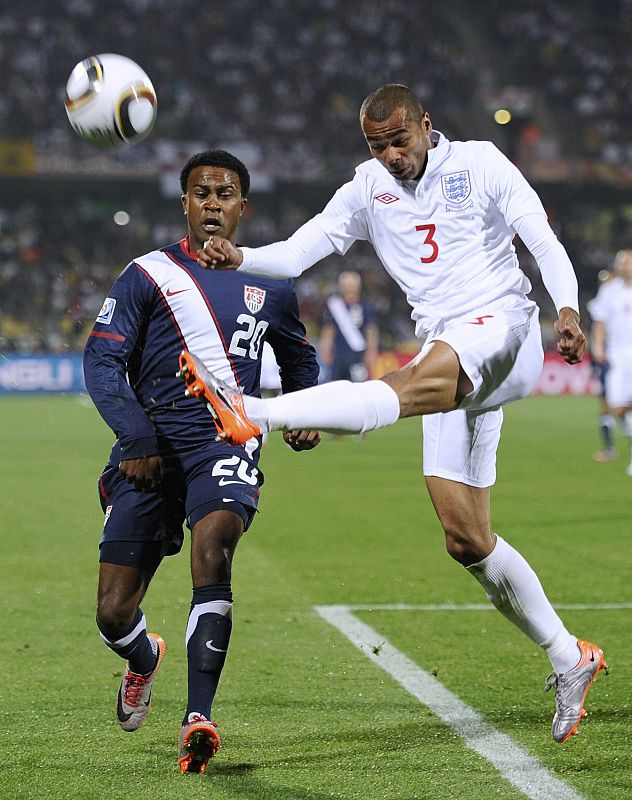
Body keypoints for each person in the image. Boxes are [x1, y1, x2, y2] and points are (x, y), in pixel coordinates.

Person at [181, 85, 607, 744]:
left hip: (505, 328)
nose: (390, 155)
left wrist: (569, 311)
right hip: (452, 352)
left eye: (398, 141)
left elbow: (541, 239)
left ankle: (252, 412)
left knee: (404, 382)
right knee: (465, 537)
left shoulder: (481, 163)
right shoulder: (365, 188)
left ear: (426, 127)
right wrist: (242, 257)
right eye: (377, 146)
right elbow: (299, 250)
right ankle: (569, 656)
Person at [83, 149, 320, 775]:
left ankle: (198, 717)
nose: (213, 203)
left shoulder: (270, 281)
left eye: (225, 194)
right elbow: (101, 362)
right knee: (112, 612)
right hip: (151, 453)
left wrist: (298, 413)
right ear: (185, 203)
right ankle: (143, 656)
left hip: (226, 441)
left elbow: (299, 360)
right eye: (201, 193)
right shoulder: (146, 274)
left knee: (214, 543)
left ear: (243, 207)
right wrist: (135, 436)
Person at [588, 249, 632, 474]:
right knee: (616, 405)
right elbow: (600, 321)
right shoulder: (609, 290)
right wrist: (597, 345)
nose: (623, 265)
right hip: (617, 354)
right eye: (621, 261)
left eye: (627, 261)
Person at [319, 270, 379, 383]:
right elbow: (329, 331)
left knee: (359, 386)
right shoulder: (334, 305)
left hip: (359, 355)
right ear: (341, 287)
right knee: (336, 386)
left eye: (352, 285)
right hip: (338, 355)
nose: (349, 288)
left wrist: (371, 352)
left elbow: (371, 331)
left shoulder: (365, 306)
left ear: (358, 287)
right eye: (346, 285)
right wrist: (325, 351)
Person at [587, 268, 617, 462]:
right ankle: (608, 448)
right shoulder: (600, 303)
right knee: (605, 401)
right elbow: (596, 329)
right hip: (606, 358)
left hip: (620, 356)